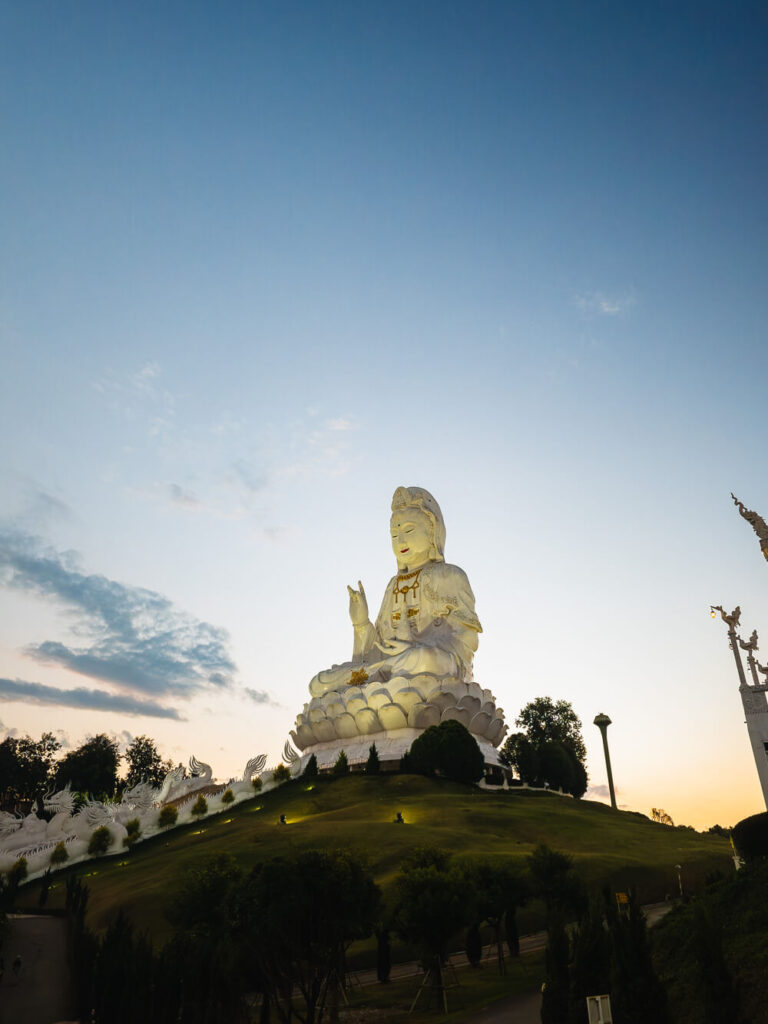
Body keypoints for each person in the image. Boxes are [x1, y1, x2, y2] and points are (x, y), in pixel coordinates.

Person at [309, 486, 482, 696]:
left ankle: (379, 687)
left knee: (425, 661)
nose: (400, 541)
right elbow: (376, 652)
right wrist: (361, 623)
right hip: (389, 667)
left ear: (432, 531)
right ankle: (379, 685)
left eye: (408, 530)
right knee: (320, 683)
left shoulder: (450, 575)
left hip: (431, 664)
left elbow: (466, 640)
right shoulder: (393, 585)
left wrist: (415, 650)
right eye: (394, 535)